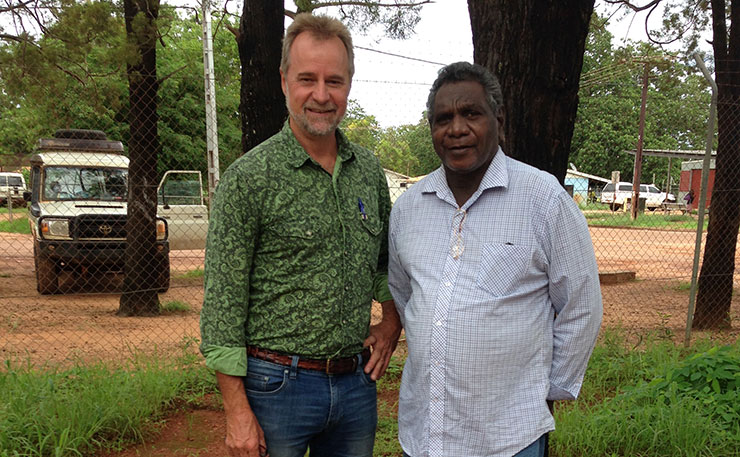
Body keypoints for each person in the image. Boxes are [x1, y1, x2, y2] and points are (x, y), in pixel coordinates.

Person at [199, 13, 401, 457]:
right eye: (307, 78)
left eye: (335, 80)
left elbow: (387, 263)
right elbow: (222, 306)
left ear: (350, 84)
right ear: (284, 80)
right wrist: (236, 412)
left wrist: (390, 322)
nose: (322, 95)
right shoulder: (248, 178)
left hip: (355, 386)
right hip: (275, 388)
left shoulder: (367, 171)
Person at [387, 62, 603, 457]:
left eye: (471, 114)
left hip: (510, 437)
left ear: (498, 120)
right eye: (443, 118)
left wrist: (547, 391)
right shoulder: (408, 209)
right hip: (424, 435)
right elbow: (406, 297)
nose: (456, 129)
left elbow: (582, 305)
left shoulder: (543, 199)